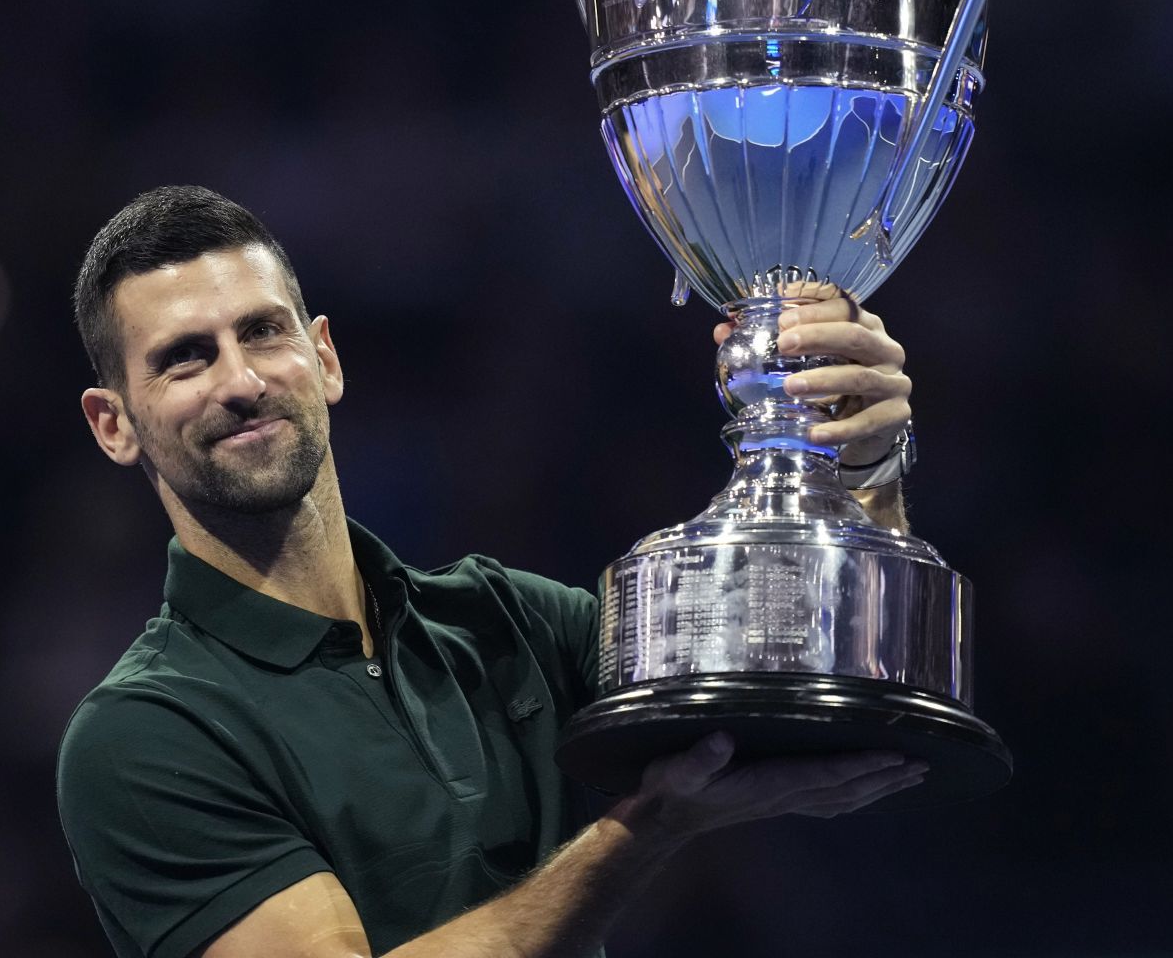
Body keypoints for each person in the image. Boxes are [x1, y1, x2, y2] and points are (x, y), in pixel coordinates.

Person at [55, 185, 925, 958]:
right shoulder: (143, 735)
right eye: (185, 358)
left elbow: (830, 707)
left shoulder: (506, 621)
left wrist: (855, 468)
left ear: (324, 358)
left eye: (262, 331)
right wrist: (646, 828)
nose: (240, 380)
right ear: (113, 424)